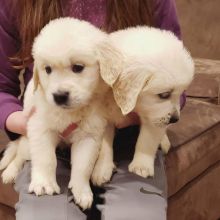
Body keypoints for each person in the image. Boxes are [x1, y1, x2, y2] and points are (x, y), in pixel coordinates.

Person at [0, 0, 183, 219]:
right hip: (51, 140)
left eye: (77, 68)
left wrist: (136, 116)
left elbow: (175, 80)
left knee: (137, 214)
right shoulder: (15, 4)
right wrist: (25, 122)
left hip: (128, 142)